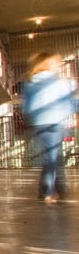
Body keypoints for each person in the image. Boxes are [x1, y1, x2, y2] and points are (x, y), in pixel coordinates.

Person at [21, 52, 77, 203]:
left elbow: (25, 107)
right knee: (53, 158)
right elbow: (69, 102)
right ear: (47, 64)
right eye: (54, 63)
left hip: (39, 123)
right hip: (55, 122)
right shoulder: (59, 82)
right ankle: (47, 191)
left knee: (53, 157)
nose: (57, 65)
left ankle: (59, 189)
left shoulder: (30, 83)